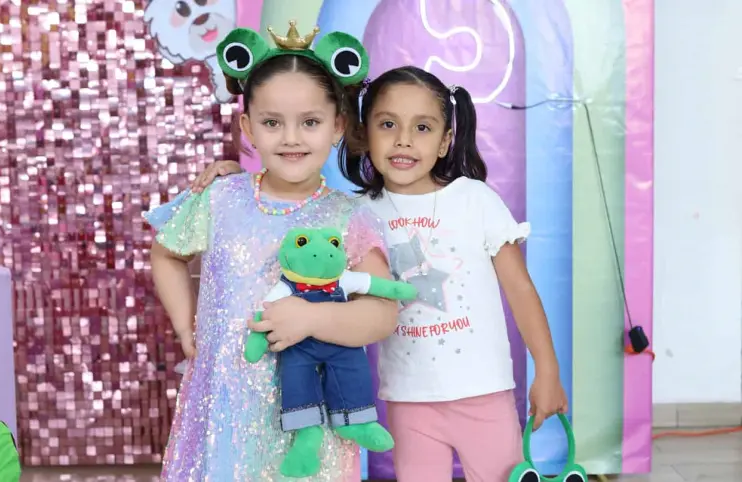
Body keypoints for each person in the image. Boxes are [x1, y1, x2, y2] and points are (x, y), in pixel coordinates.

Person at [197, 66, 568, 482]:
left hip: (484, 392)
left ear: (446, 140)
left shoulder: (474, 200)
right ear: (362, 133)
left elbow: (520, 289)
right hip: (407, 398)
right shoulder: (354, 213)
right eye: (388, 124)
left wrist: (548, 371)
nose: (403, 140)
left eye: (422, 127)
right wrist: (241, 183)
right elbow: (291, 211)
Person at [146, 23, 398, 481]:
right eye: (272, 122)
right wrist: (186, 328)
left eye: (310, 122)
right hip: (224, 407)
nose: (291, 138)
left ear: (338, 126)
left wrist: (312, 319)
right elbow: (166, 253)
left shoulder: (348, 216)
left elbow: (382, 313)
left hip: (311, 415)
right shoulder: (221, 197)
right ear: (248, 127)